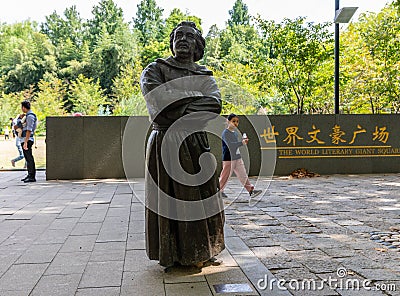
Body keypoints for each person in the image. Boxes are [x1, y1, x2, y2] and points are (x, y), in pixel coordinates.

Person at [140, 21, 225, 269]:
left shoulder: (204, 75)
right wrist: (192, 99)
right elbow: (158, 104)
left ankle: (205, 249)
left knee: (204, 196)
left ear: (198, 44)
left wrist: (176, 102)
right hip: (165, 140)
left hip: (196, 141)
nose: (183, 39)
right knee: (171, 199)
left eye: (189, 36)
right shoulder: (155, 69)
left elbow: (213, 106)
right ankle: (175, 254)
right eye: (178, 35)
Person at [219, 113, 262, 198]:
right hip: (229, 158)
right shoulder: (225, 133)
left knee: (243, 175)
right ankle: (219, 191)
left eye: (237, 122)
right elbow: (230, 145)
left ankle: (251, 190)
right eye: (233, 121)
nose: (235, 123)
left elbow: (235, 145)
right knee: (225, 176)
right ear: (228, 121)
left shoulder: (234, 133)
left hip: (237, 157)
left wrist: (242, 143)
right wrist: (241, 143)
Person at [20, 100, 37, 183]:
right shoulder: (27, 115)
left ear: (23, 107)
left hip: (28, 139)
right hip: (26, 139)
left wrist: (26, 142)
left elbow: (29, 130)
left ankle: (32, 176)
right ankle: (29, 174)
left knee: (29, 158)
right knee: (27, 158)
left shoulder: (30, 116)